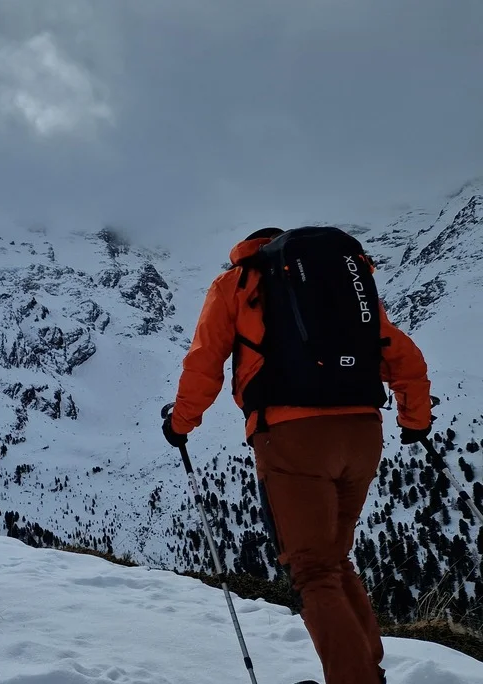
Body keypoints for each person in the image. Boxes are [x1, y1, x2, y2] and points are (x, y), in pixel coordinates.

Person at [162, 227, 433, 684]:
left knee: (313, 570)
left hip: (292, 437)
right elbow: (402, 355)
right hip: (363, 432)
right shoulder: (342, 283)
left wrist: (180, 423)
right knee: (336, 559)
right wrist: (416, 419)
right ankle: (367, 672)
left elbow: (204, 362)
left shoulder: (238, 282)